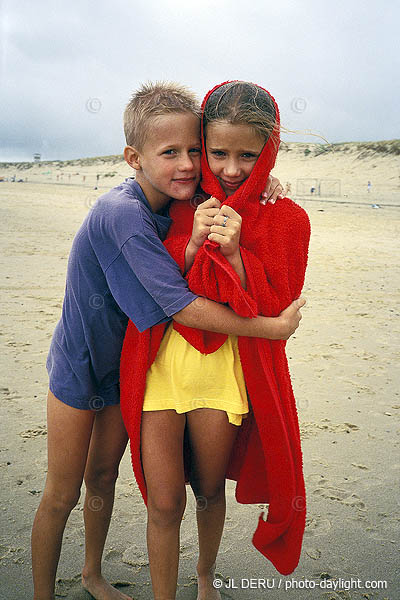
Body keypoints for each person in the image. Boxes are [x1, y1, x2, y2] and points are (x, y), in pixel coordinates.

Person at [31, 81, 298, 600]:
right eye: (170, 152)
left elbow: (233, 179)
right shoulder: (123, 214)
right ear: (133, 157)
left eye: (194, 151)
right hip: (81, 368)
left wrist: (267, 181)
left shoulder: (180, 201)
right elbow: (178, 304)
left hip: (128, 368)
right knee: (63, 493)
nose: (189, 164)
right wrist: (270, 329)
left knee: (104, 477)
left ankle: (91, 575)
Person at [120, 81, 310, 600]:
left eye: (248, 155)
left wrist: (236, 257)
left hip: (224, 373)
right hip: (161, 364)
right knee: (163, 503)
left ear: (268, 152)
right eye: (218, 152)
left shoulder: (288, 217)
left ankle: (204, 577)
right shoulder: (178, 201)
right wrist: (197, 242)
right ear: (203, 144)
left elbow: (277, 304)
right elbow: (158, 286)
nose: (230, 169)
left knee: (208, 490)